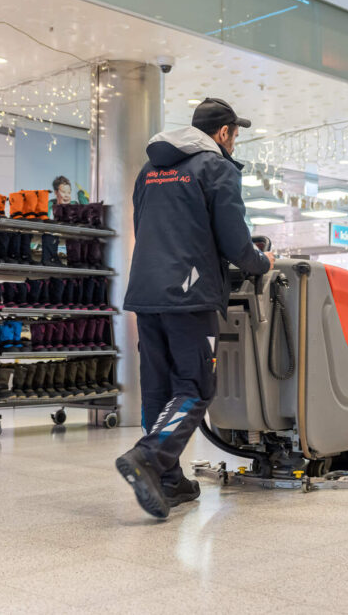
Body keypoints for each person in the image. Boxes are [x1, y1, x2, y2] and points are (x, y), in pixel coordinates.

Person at [116, 98, 275, 519]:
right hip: (189, 295)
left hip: (146, 292)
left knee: (159, 387)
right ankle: (149, 457)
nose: (234, 143)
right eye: (235, 135)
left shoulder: (150, 170)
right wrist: (261, 262)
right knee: (195, 387)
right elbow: (233, 240)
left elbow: (147, 227)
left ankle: (168, 480)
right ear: (223, 133)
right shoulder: (216, 167)